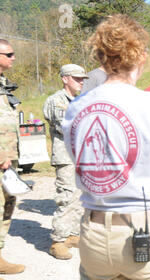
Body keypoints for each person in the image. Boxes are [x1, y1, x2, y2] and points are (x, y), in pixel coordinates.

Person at [61, 14, 150, 280]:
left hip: (95, 233)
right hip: (148, 231)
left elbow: (87, 168)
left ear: (101, 56)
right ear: (141, 57)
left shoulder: (75, 109)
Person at [43, 64, 88, 259]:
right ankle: (58, 241)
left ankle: (72, 234)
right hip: (66, 157)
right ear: (65, 79)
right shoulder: (57, 101)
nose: (80, 82)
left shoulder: (79, 101)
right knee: (67, 197)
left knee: (80, 198)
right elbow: (68, 128)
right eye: (76, 78)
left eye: (82, 79)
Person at [0, 38, 25, 280]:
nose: (13, 58)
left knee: (5, 208)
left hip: (7, 161)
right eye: (9, 54)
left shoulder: (1, 84)